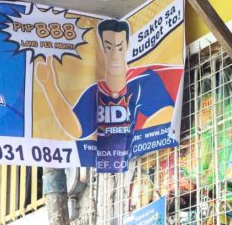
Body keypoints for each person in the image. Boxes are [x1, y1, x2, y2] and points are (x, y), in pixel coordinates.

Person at [35, 18, 181, 171]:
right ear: (102, 50)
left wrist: (137, 146)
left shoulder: (142, 79)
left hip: (150, 162)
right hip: (118, 172)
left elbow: (166, 114)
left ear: (127, 46)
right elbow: (75, 129)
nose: (114, 56)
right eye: (109, 48)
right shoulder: (95, 91)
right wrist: (49, 86)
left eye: (119, 47)